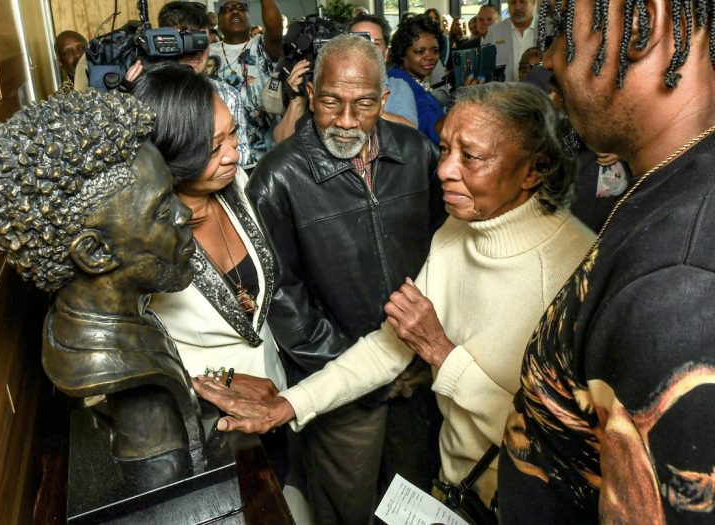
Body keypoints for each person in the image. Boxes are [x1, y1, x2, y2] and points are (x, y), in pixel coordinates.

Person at [194, 82, 596, 507]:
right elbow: (388, 346)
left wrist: (441, 355)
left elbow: (567, 446)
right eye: (445, 149)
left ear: (533, 170)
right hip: (455, 487)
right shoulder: (458, 229)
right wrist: (288, 406)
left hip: (518, 502)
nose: (444, 170)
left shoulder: (579, 272)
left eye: (471, 157)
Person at [493, 0, 715, 522]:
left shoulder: (677, 286)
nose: (549, 58)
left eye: (561, 29)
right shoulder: (675, 179)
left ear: (642, 24)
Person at [242, 34, 445, 525]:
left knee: (413, 499)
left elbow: (444, 254)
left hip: (417, 375)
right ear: (311, 95)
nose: (347, 120)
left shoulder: (417, 153)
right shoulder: (277, 177)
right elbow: (283, 298)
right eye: (332, 102)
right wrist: (358, 372)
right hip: (338, 385)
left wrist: (424, 353)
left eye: (365, 104)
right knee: (345, 509)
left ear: (384, 99)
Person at [0, 89, 203, 463]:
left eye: (172, 194)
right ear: (95, 253)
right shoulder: (116, 371)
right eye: (162, 211)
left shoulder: (100, 317)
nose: (184, 214)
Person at [129, 61, 288, 467]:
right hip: (207, 423)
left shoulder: (238, 186)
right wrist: (221, 382)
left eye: (232, 134)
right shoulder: (141, 240)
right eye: (214, 148)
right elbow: (126, 356)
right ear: (170, 153)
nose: (234, 154)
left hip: (275, 393)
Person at [273, 14, 419, 144]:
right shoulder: (323, 87)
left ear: (386, 53)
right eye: (358, 41)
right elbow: (282, 143)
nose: (366, 50)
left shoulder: (397, 86)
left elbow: (410, 134)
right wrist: (297, 100)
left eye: (375, 44)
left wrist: (367, 108)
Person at [151, 1, 254, 166]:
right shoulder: (150, 92)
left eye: (200, 41)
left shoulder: (227, 95)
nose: (196, 51)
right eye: (187, 40)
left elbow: (241, 155)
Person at [209, 0, 283, 159]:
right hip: (223, 157)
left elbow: (275, 29)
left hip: (267, 156)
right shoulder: (207, 54)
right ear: (218, 20)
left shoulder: (262, 45)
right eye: (227, 9)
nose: (235, 11)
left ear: (249, 17)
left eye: (240, 8)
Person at [388, 14, 446, 144]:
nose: (430, 57)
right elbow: (431, 131)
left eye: (435, 51)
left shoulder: (409, 78)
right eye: (420, 51)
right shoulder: (401, 84)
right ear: (402, 53)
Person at [483, 0, 537, 81]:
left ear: (533, 2)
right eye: (513, 2)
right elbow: (485, 71)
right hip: (503, 89)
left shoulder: (548, 28)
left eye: (522, 2)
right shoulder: (494, 32)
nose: (517, 7)